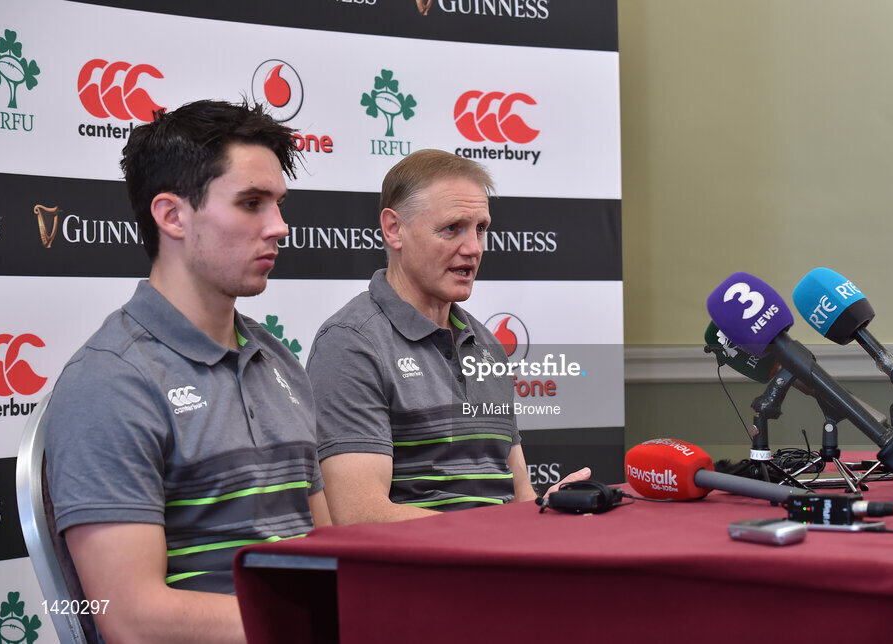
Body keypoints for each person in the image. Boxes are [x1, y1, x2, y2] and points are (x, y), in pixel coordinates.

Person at [43, 100, 331, 643]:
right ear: (173, 216)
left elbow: (325, 549)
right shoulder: (109, 382)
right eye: (251, 203)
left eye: (278, 204)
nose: (280, 227)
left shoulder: (280, 361)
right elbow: (130, 618)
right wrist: (318, 622)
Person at [307, 149, 589, 524]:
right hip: (417, 576)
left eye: (481, 228)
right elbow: (359, 516)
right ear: (394, 229)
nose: (473, 248)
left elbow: (520, 495)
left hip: (498, 563)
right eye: (452, 228)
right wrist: (493, 534)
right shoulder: (350, 343)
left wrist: (545, 511)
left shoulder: (486, 343)